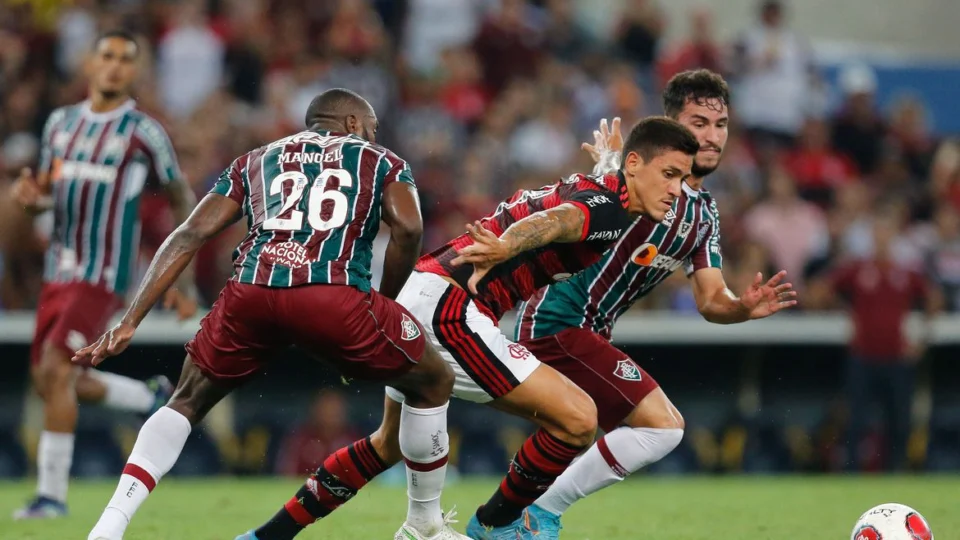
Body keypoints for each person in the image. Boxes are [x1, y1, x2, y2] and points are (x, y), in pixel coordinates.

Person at [241, 116, 700, 540]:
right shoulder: (609, 210)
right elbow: (558, 221)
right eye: (670, 174)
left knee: (388, 445)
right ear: (635, 165)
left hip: (424, 292)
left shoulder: (607, 191)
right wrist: (506, 245)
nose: (677, 189)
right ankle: (495, 527)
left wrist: (610, 163)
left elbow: (587, 205)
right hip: (452, 310)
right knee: (579, 419)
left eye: (682, 178)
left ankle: (266, 536)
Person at [74, 88, 468, 540]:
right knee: (433, 379)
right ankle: (424, 525)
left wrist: (130, 321)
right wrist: (387, 304)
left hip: (252, 291)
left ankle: (108, 527)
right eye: (372, 128)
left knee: (185, 400)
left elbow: (190, 233)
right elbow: (410, 226)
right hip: (332, 297)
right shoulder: (381, 160)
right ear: (354, 124)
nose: (375, 136)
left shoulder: (256, 159)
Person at [502, 69, 798, 539]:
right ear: (670, 123)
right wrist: (606, 168)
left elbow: (711, 299)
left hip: (588, 332)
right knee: (663, 427)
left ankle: (494, 519)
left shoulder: (704, 213)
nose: (712, 136)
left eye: (720, 125)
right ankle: (535, 513)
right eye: (698, 122)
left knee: (573, 432)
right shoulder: (638, 178)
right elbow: (591, 198)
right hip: (557, 321)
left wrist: (742, 307)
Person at [11, 30, 197, 520]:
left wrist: (183, 277)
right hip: (58, 269)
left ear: (135, 71)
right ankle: (148, 395)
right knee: (49, 380)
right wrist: (33, 202)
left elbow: (182, 197)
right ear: (91, 64)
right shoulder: (60, 123)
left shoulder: (143, 130)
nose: (114, 66)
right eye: (107, 56)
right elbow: (52, 191)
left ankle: (51, 497)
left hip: (103, 273)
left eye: (125, 59)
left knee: (56, 371)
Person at [812, 209, 941, 471]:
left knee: (900, 420)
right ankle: (851, 471)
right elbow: (820, 290)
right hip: (863, 355)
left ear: (894, 237)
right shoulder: (859, 268)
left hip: (897, 356)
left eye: (886, 232)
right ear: (871, 236)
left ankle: (897, 470)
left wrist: (921, 339)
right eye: (877, 232)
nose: (882, 238)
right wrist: (843, 309)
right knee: (856, 418)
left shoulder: (905, 272)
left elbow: (934, 299)